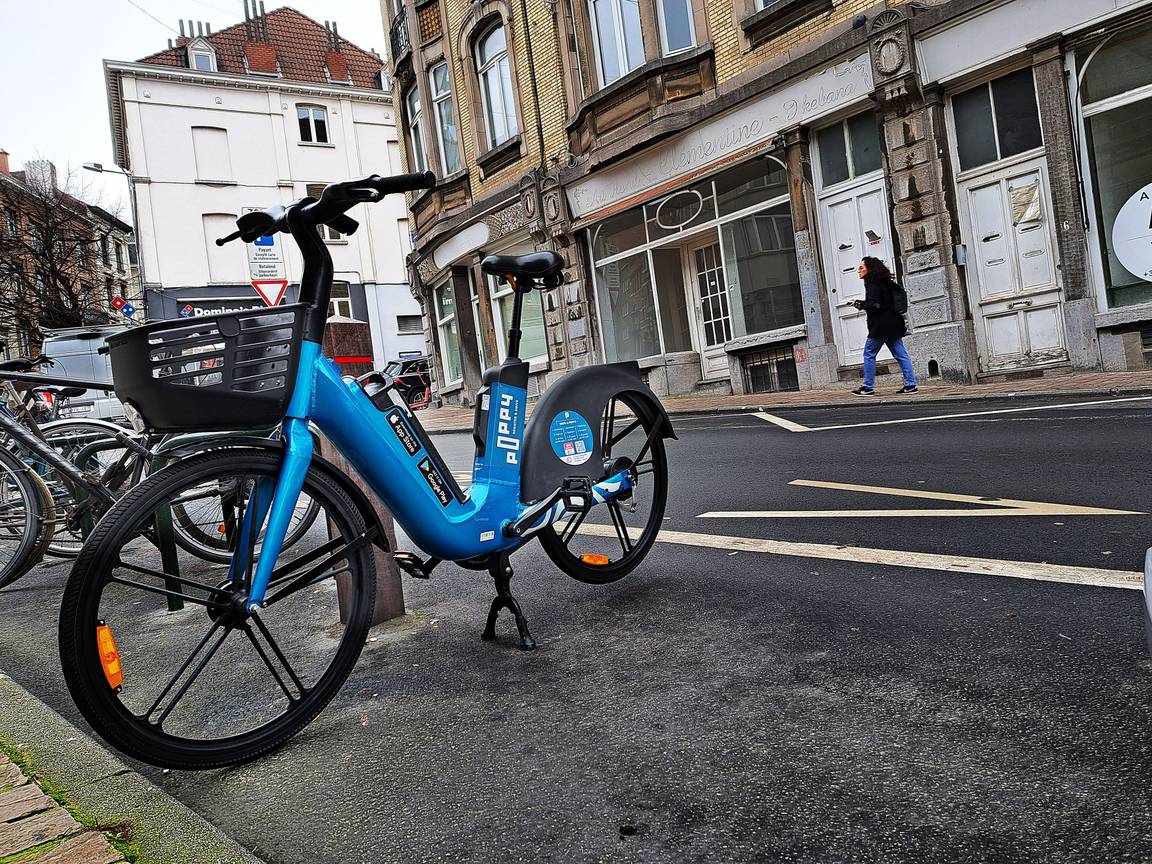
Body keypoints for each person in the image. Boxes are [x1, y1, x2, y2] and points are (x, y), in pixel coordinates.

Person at [850, 256, 917, 396]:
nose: (858, 271)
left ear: (870, 269)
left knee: (869, 353)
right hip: (894, 323)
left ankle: (868, 387)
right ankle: (910, 384)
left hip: (881, 325)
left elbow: (875, 305)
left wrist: (859, 304)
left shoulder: (872, 283)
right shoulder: (886, 282)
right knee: (901, 354)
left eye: (861, 268)